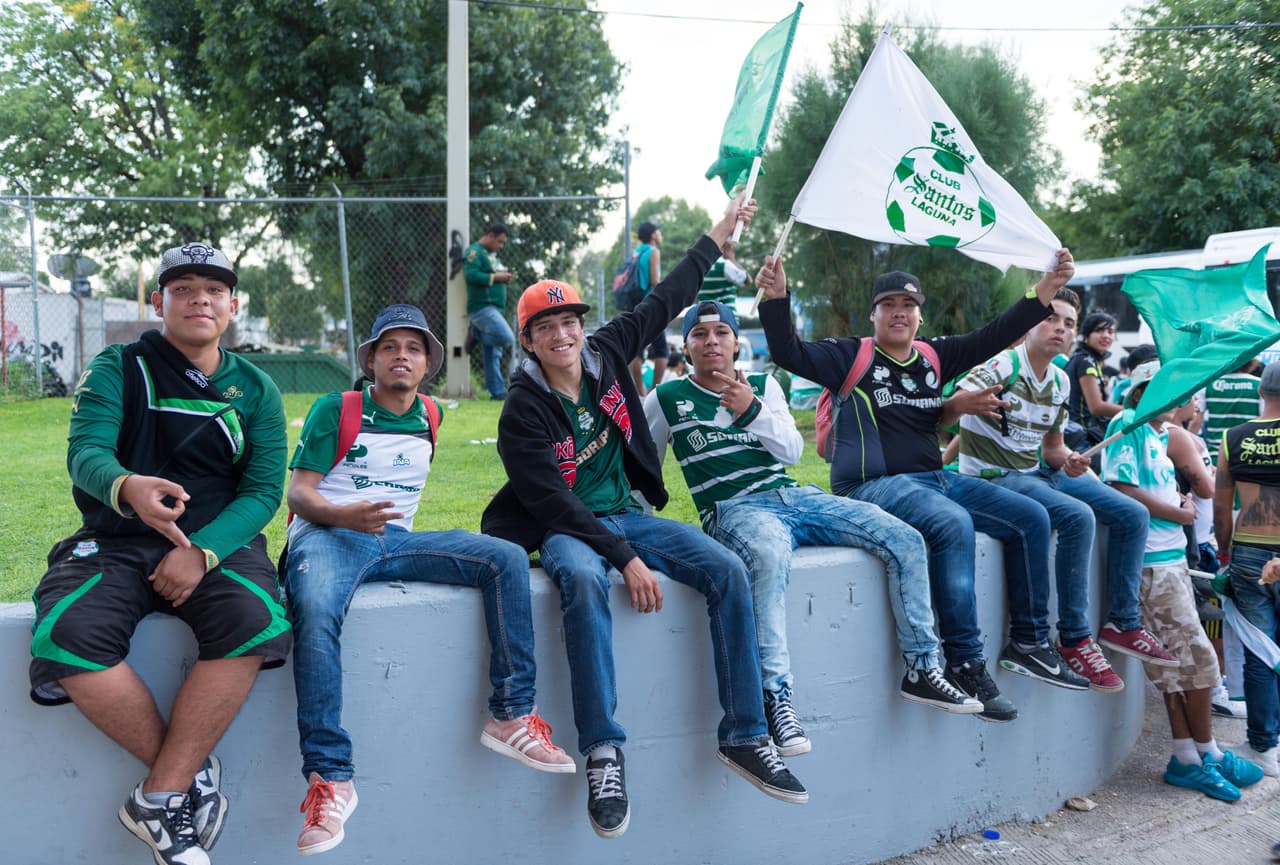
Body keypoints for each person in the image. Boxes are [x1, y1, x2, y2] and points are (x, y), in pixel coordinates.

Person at [482, 197, 808, 842]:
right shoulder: (522, 409)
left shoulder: (608, 349)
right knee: (579, 580)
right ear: (528, 340)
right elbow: (553, 504)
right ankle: (604, 752)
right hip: (567, 528)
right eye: (545, 327)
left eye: (569, 321)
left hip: (625, 513)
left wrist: (724, 228)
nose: (562, 335)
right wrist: (626, 558)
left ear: (583, 325)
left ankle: (745, 733)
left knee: (727, 570)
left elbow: (673, 289)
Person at [28, 243, 293, 865]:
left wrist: (201, 551)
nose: (200, 298)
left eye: (214, 289)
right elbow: (85, 453)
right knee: (65, 636)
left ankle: (157, 797)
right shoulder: (118, 366)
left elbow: (261, 494)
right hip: (115, 539)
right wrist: (128, 488)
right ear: (159, 301)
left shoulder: (256, 390)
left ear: (232, 305)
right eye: (183, 287)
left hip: (216, 545)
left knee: (255, 624)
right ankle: (186, 780)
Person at [283, 304, 574, 856]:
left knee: (504, 559)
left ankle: (510, 715)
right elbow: (299, 494)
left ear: (428, 364)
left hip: (394, 539)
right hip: (327, 537)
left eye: (414, 349)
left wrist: (376, 527)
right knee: (317, 609)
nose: (402, 357)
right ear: (370, 359)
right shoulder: (336, 409)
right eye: (389, 347)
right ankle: (330, 778)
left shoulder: (431, 416)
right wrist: (345, 517)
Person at [757, 251, 1087, 724]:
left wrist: (1048, 287)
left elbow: (993, 334)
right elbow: (787, 351)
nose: (899, 312)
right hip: (873, 486)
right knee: (952, 523)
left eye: (908, 305)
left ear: (919, 314)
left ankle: (1030, 642)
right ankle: (967, 663)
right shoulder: (852, 356)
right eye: (888, 304)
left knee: (1030, 516)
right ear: (873, 314)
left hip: (935, 479)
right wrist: (777, 298)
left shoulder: (933, 355)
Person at [645, 299, 982, 751]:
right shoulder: (666, 397)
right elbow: (643, 470)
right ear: (685, 347)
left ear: (735, 343)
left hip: (797, 497)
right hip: (735, 508)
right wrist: (636, 538)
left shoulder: (765, 384)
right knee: (766, 560)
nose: (712, 342)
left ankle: (922, 667)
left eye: (721, 333)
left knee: (902, 536)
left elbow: (792, 453)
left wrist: (751, 409)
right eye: (700, 335)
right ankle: (776, 697)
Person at [953, 288, 1178, 693]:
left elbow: (1053, 449)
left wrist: (1072, 460)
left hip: (1036, 472)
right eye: (1050, 318)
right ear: (1028, 324)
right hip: (995, 477)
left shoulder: (1059, 379)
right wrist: (969, 403)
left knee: (1133, 514)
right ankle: (1074, 638)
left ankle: (1122, 623)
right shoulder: (1003, 364)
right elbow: (953, 402)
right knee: (1078, 517)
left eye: (1069, 323)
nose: (1060, 328)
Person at [1103, 361, 1264, 801]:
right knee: (1202, 666)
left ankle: (1191, 758)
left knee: (1178, 669)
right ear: (1140, 394)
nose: (1178, 400)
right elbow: (1119, 489)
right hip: (1153, 565)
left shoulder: (1159, 435)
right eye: (1165, 391)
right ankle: (1204, 752)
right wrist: (1180, 512)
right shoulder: (1127, 426)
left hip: (1170, 560)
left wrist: (1178, 505)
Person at [1214, 362, 1280, 777]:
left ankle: (1264, 747)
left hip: (1250, 552)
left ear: (1262, 392)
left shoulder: (1233, 437)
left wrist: (1224, 552)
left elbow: (1222, 508)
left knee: (1260, 650)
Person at [464, 224, 515, 400]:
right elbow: (470, 275)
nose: (501, 246)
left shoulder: (489, 255)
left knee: (493, 353)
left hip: (494, 308)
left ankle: (498, 393)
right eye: (499, 242)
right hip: (482, 308)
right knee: (506, 338)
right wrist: (496, 277)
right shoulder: (474, 252)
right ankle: (476, 332)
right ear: (491, 235)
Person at [1064, 311, 1122, 450]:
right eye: (1099, 330)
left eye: (1110, 331)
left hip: (1076, 434)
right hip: (1080, 437)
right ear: (1086, 335)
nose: (1106, 336)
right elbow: (1096, 407)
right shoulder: (1086, 361)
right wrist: (1135, 412)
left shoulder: (1085, 358)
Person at [625, 220, 668, 393]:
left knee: (636, 349)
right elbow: (654, 280)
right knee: (662, 350)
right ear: (653, 235)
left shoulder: (635, 252)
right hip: (649, 304)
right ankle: (653, 391)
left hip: (633, 304)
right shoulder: (653, 251)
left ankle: (639, 390)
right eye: (658, 231)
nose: (660, 235)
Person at [1203, 360, 1261, 462]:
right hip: (1248, 451)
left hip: (1216, 452)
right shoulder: (1259, 385)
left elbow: (1196, 420)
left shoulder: (1209, 384)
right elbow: (1264, 419)